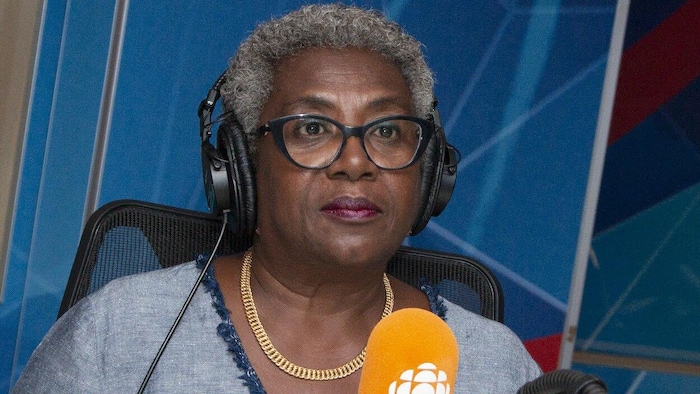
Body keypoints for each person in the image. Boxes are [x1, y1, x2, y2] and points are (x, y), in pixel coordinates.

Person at [13, 4, 541, 393]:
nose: (355, 162)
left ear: (428, 175)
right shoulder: (122, 331)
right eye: (312, 127)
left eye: (387, 131)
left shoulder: (494, 366)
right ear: (240, 168)